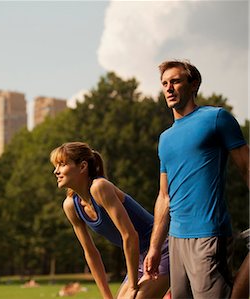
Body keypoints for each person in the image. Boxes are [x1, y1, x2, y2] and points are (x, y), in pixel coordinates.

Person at [143, 60, 249, 298]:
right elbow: (163, 196)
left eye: (176, 81)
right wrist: (154, 247)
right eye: (164, 83)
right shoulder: (165, 138)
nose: (169, 88)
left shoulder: (216, 118)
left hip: (209, 234)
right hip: (176, 240)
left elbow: (246, 166)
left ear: (194, 85)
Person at [50, 142, 170, 299]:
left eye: (62, 164)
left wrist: (133, 285)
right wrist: (107, 296)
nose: (56, 171)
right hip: (138, 259)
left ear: (82, 167)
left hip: (161, 249)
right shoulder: (71, 206)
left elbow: (130, 235)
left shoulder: (100, 187)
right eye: (56, 166)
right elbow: (91, 253)